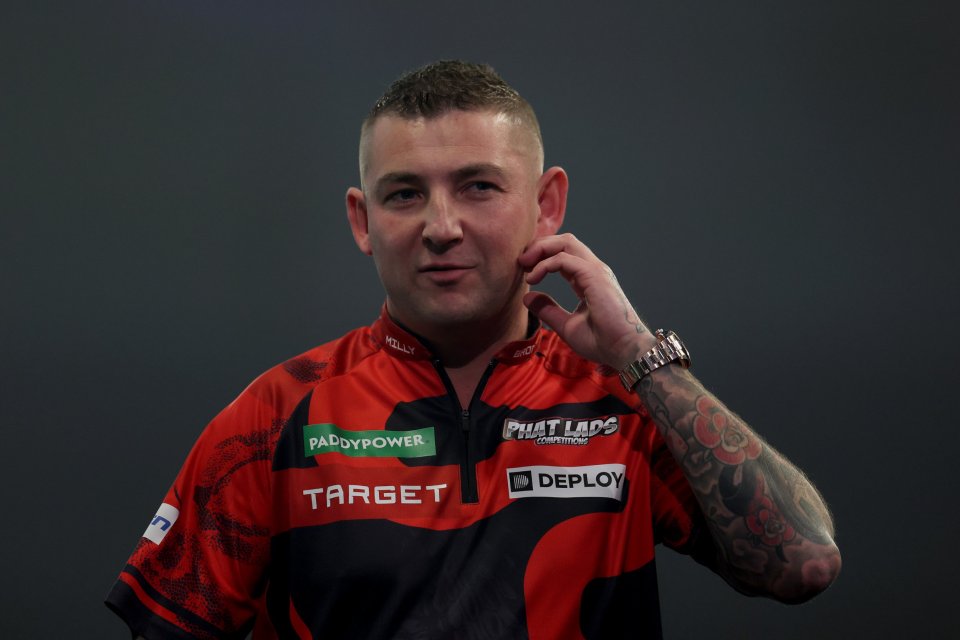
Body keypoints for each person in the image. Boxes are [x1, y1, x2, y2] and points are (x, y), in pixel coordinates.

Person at [106, 60, 841, 639]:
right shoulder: (275, 415)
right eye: (404, 194)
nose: (441, 227)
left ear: (546, 205)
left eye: (478, 187)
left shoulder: (625, 402)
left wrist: (639, 354)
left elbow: (802, 564)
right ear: (362, 220)